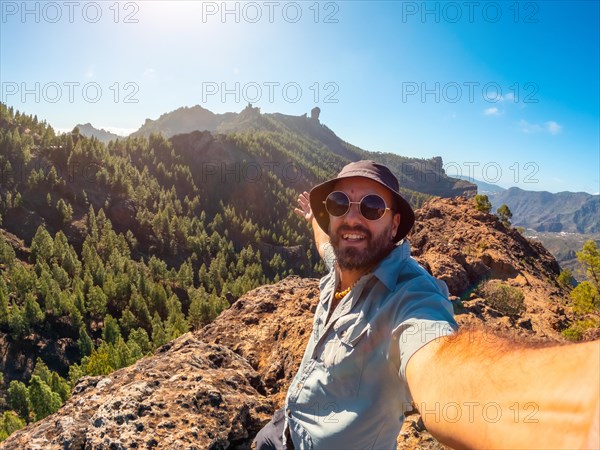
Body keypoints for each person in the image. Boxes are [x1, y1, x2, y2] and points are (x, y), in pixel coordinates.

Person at [254, 160, 600, 450]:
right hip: (285, 428)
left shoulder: (411, 295)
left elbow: (440, 362)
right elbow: (325, 246)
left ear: (394, 226)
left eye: (372, 206)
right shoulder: (342, 260)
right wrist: (314, 219)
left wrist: (582, 408)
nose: (353, 219)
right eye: (339, 204)